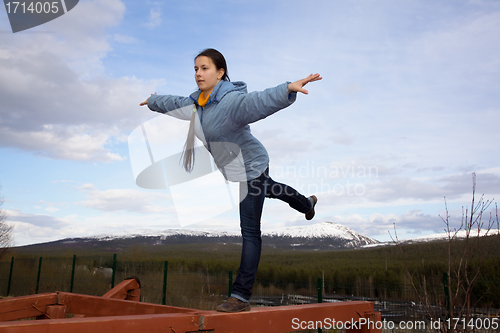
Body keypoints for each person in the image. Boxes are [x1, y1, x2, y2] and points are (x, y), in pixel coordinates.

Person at [140, 48, 321, 312]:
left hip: (251, 165)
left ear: (220, 72)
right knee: (271, 189)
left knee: (249, 231)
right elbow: (173, 102)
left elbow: (257, 102)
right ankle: (306, 203)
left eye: (205, 68)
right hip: (238, 169)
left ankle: (240, 296)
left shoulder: (231, 102)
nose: (198, 74)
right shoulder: (197, 104)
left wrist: (287, 89)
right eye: (195, 69)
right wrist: (153, 101)